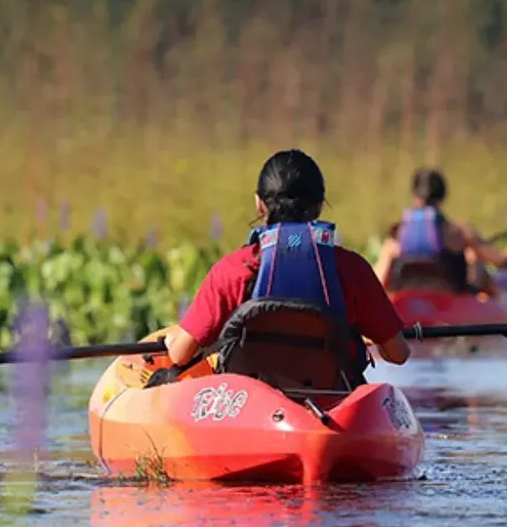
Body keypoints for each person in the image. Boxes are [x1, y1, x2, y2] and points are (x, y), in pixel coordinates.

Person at [161, 149, 411, 373]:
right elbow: (398, 354)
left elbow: (180, 355)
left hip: (251, 399)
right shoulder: (352, 269)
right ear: (320, 206)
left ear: (259, 204)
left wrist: (173, 342)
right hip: (331, 396)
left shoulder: (234, 271)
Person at [374, 167, 507, 295]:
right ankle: (502, 303)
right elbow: (503, 262)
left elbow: (377, 283)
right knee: (474, 259)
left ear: (414, 195)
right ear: (443, 196)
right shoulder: (457, 232)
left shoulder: (396, 236)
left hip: (406, 309)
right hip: (448, 309)